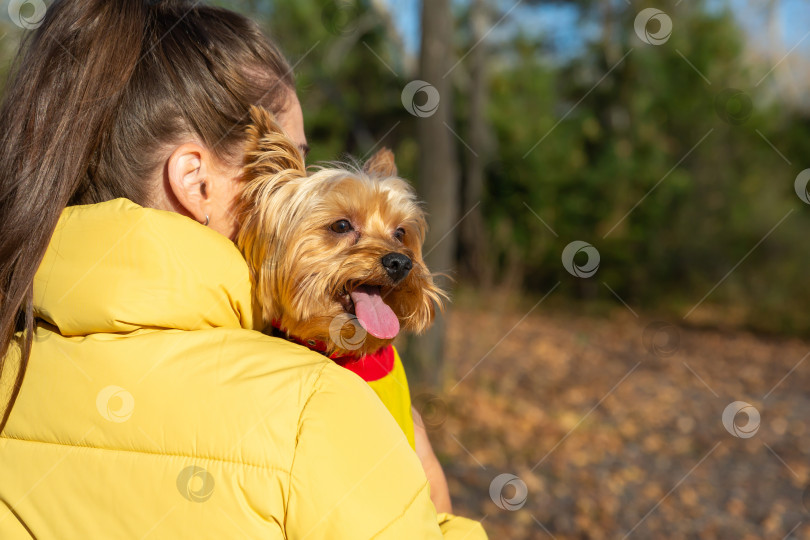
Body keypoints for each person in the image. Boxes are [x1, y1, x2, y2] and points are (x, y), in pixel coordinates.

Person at [0, 1, 487, 538]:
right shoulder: (314, 411)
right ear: (196, 181)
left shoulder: (10, 362)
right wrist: (439, 512)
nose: (288, 183)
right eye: (284, 159)